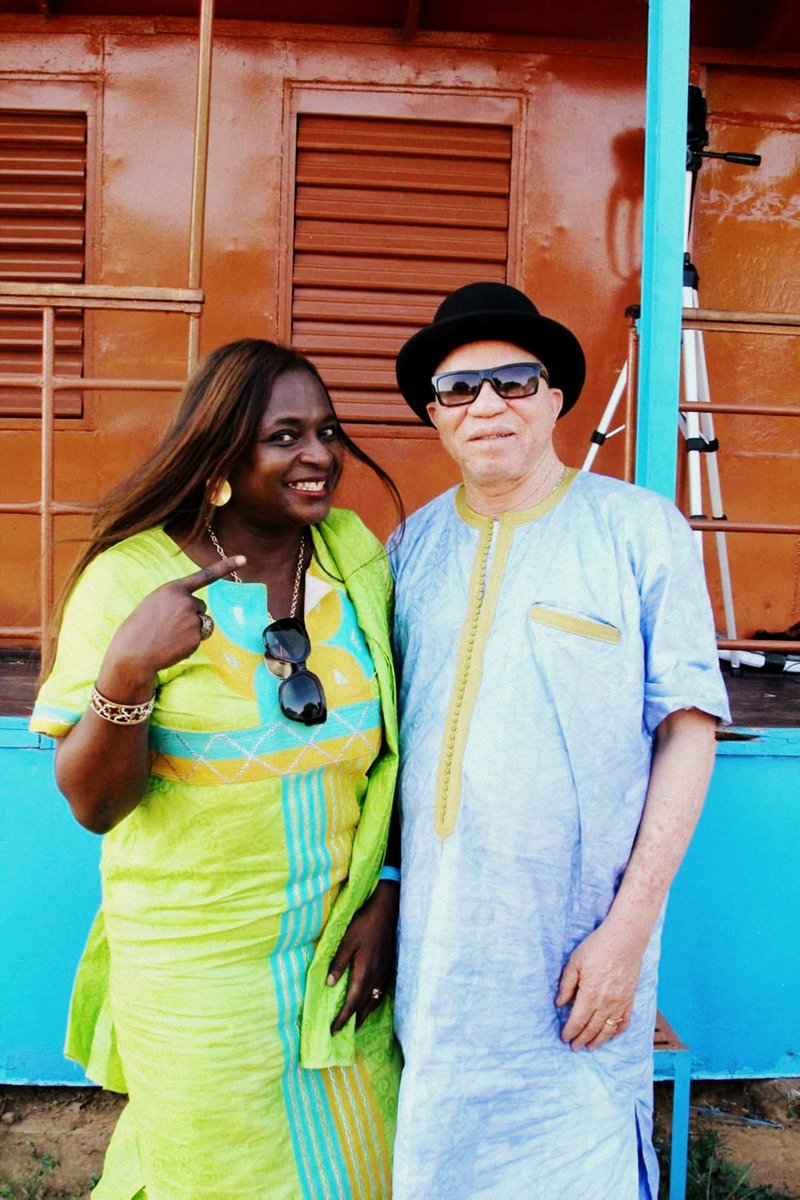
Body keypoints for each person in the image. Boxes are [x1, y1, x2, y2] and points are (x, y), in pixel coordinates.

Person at [31, 338, 404, 1200]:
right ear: (221, 457)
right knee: (215, 1176)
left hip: (339, 959)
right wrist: (128, 671)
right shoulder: (131, 578)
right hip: (198, 973)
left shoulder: (351, 557)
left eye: (328, 431)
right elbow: (93, 804)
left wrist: (389, 888)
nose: (319, 456)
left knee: (364, 1167)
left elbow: (402, 751)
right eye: (285, 437)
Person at [389, 282, 731, 1199]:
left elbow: (689, 728)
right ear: (435, 415)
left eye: (514, 380)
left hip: (579, 952)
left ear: (554, 398)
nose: (487, 405)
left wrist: (628, 933)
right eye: (459, 389)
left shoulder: (637, 529)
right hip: (439, 951)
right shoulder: (412, 547)